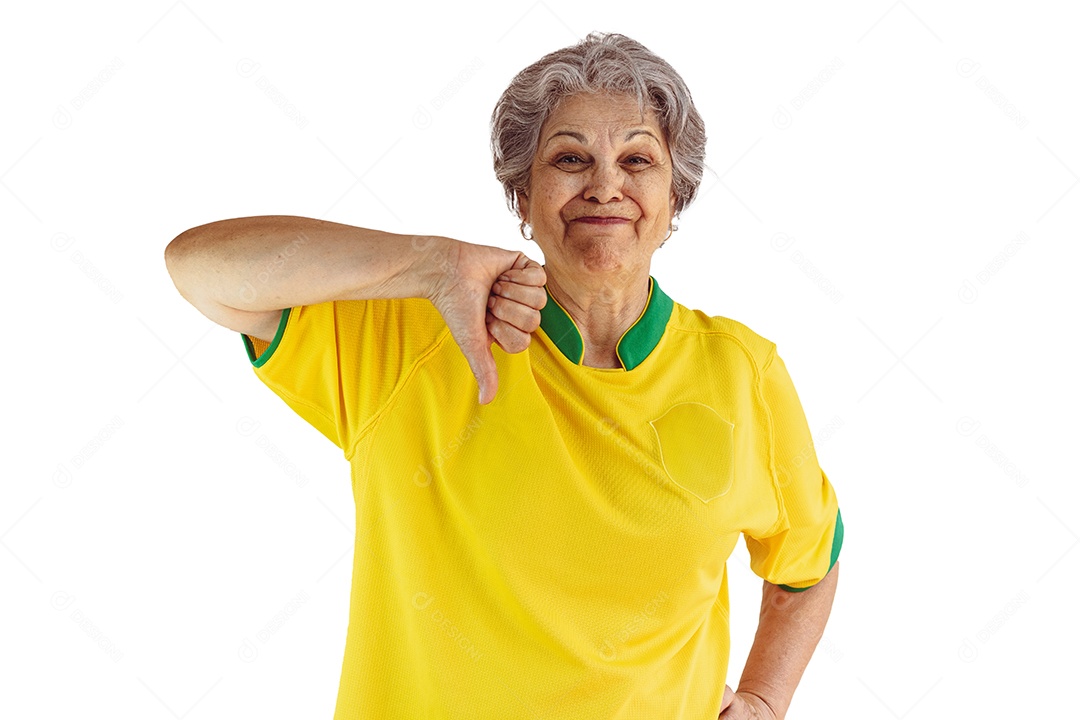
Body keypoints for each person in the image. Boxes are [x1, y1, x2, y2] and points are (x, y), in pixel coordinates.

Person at [165, 32, 842, 720]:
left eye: (637, 158)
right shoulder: (421, 336)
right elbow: (199, 269)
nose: (605, 184)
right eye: (570, 158)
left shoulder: (742, 373)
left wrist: (763, 698)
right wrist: (428, 263)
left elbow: (808, 565)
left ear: (676, 197)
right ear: (522, 195)